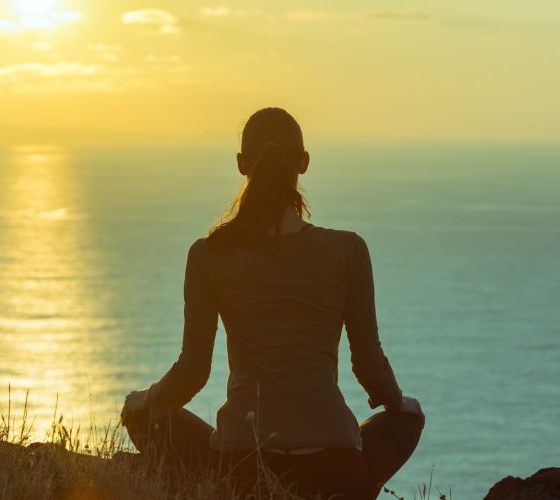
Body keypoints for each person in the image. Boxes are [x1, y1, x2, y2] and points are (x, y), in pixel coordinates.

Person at [120, 107, 424, 500]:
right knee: (407, 421)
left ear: (242, 164)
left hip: (243, 470)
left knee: (143, 417)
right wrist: (400, 403)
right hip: (336, 470)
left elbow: (193, 372)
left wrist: (145, 401)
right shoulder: (349, 250)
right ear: (304, 162)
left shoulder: (209, 254)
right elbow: (368, 365)